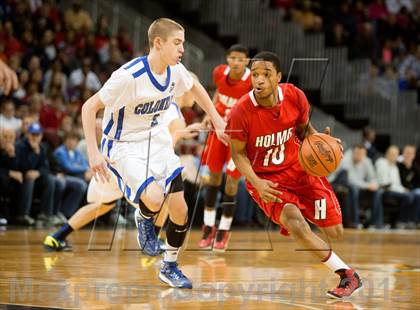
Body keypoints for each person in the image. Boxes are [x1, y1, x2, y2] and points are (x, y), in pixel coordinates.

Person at [80, 18, 226, 289]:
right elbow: (89, 107)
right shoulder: (128, 77)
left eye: (183, 43)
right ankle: (144, 216)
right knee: (156, 198)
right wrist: (93, 151)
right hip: (124, 144)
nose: (182, 49)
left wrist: (216, 118)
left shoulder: (176, 70)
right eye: (177, 43)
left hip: (156, 140)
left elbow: (194, 87)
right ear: (158, 43)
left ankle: (170, 266)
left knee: (181, 208)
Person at [226, 51, 362, 299]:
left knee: (335, 232)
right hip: (268, 181)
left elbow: (305, 130)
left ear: (278, 77)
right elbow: (238, 154)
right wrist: (256, 181)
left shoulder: (294, 96)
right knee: (296, 222)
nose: (259, 80)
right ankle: (347, 274)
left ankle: (300, 223)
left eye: (266, 75)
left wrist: (323, 143)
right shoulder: (241, 111)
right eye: (255, 74)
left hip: (301, 170)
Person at [43, 100, 202, 251]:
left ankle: (57, 236)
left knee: (103, 205)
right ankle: (151, 242)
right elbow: (169, 141)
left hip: (118, 157)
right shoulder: (170, 107)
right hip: (131, 162)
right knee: (167, 200)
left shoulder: (154, 100)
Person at [199, 44, 251, 251]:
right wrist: (208, 115)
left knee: (231, 184)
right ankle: (207, 227)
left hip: (238, 137)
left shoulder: (251, 82)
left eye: (240, 59)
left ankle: (224, 230)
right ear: (228, 59)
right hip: (217, 131)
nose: (236, 62)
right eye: (233, 58)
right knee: (212, 179)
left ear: (247, 61)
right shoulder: (220, 73)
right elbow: (218, 94)